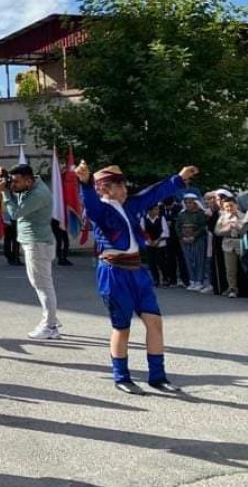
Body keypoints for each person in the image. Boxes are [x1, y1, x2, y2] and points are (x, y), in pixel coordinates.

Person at [77, 162, 196, 395]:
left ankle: (157, 377)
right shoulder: (99, 209)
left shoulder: (130, 205)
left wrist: (179, 179)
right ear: (103, 189)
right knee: (122, 328)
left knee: (154, 322)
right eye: (118, 186)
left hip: (137, 270)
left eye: (123, 185)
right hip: (113, 272)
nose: (124, 190)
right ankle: (122, 376)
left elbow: (153, 193)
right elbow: (89, 201)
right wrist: (84, 182)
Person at [1, 164, 61, 340]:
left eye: (17, 182)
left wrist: (5, 192)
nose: (14, 185)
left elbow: (15, 213)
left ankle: (50, 326)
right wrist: (8, 181)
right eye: (12, 181)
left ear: (28, 180)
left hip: (38, 244)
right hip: (37, 242)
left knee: (42, 285)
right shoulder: (31, 186)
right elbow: (19, 198)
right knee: (42, 284)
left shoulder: (38, 194)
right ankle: (52, 317)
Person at [175, 192, 207, 292]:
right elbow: (177, 227)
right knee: (189, 261)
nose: (188, 204)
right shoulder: (181, 214)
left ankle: (199, 281)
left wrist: (194, 236)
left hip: (197, 240)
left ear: (195, 203)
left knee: (199, 261)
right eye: (187, 202)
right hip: (184, 240)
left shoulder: (200, 213)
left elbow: (203, 227)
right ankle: (192, 280)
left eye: (191, 202)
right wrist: (182, 237)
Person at [213, 195, 242, 298]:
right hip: (228, 243)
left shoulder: (243, 216)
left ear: (236, 205)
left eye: (231, 205)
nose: (229, 208)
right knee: (230, 269)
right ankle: (232, 288)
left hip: (241, 243)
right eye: (226, 207)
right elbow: (217, 231)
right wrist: (226, 228)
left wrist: (238, 226)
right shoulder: (222, 218)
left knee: (244, 268)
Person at [141, 205, 171, 288]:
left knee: (161, 261)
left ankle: (165, 278)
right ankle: (156, 279)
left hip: (160, 243)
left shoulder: (161, 218)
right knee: (151, 262)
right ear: (149, 211)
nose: (158, 211)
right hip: (149, 243)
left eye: (157, 209)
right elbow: (142, 231)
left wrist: (158, 240)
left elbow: (165, 231)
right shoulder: (144, 219)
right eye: (155, 209)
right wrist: (149, 240)